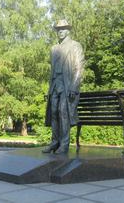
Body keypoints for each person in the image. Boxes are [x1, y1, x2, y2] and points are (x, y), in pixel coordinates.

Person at [43, 19, 84, 154]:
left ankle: (64, 144)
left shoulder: (75, 46)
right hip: (55, 83)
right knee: (54, 112)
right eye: (58, 29)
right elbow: (52, 70)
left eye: (63, 29)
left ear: (68, 30)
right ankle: (55, 142)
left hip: (67, 85)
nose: (60, 31)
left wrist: (74, 86)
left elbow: (79, 67)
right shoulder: (54, 49)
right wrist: (49, 89)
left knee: (63, 112)